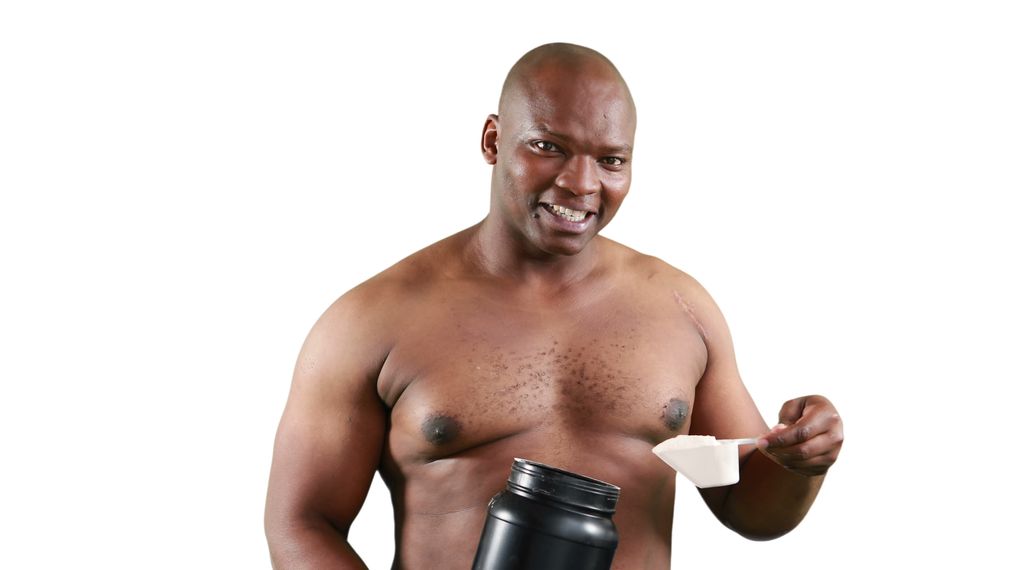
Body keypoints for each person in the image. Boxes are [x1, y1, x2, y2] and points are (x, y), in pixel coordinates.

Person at [264, 42, 844, 570]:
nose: (580, 183)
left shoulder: (679, 309)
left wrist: (802, 465)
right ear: (493, 140)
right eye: (548, 147)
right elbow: (301, 523)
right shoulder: (373, 320)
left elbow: (750, 509)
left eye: (611, 160)